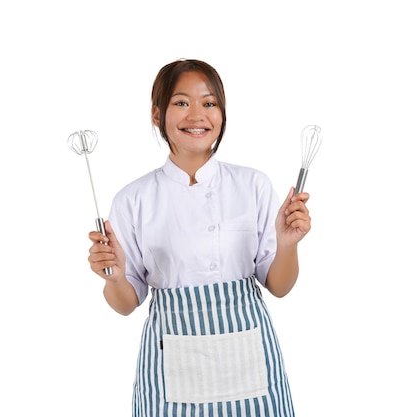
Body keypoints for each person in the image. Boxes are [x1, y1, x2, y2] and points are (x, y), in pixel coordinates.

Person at [88, 58, 312, 417]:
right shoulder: (133, 199)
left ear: (222, 114)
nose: (197, 115)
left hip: (250, 359)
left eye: (209, 103)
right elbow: (126, 303)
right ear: (157, 114)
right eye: (181, 103)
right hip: (171, 367)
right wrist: (112, 275)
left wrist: (288, 245)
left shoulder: (252, 185)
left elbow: (280, 286)